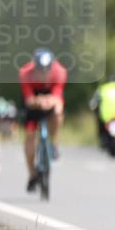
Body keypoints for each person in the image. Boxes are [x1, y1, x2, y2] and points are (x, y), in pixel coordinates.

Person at [18, 48, 67, 192]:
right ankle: (32, 174)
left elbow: (57, 96)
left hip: (51, 98)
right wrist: (37, 102)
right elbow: (28, 99)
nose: (44, 73)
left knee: (58, 112)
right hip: (33, 101)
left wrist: (49, 101)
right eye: (41, 70)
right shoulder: (25, 73)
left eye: (47, 70)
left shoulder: (60, 71)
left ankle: (54, 142)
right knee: (30, 136)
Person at [89, 75, 115, 148]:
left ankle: (103, 139)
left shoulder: (103, 88)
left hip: (106, 113)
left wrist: (93, 106)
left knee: (100, 123)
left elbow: (94, 101)